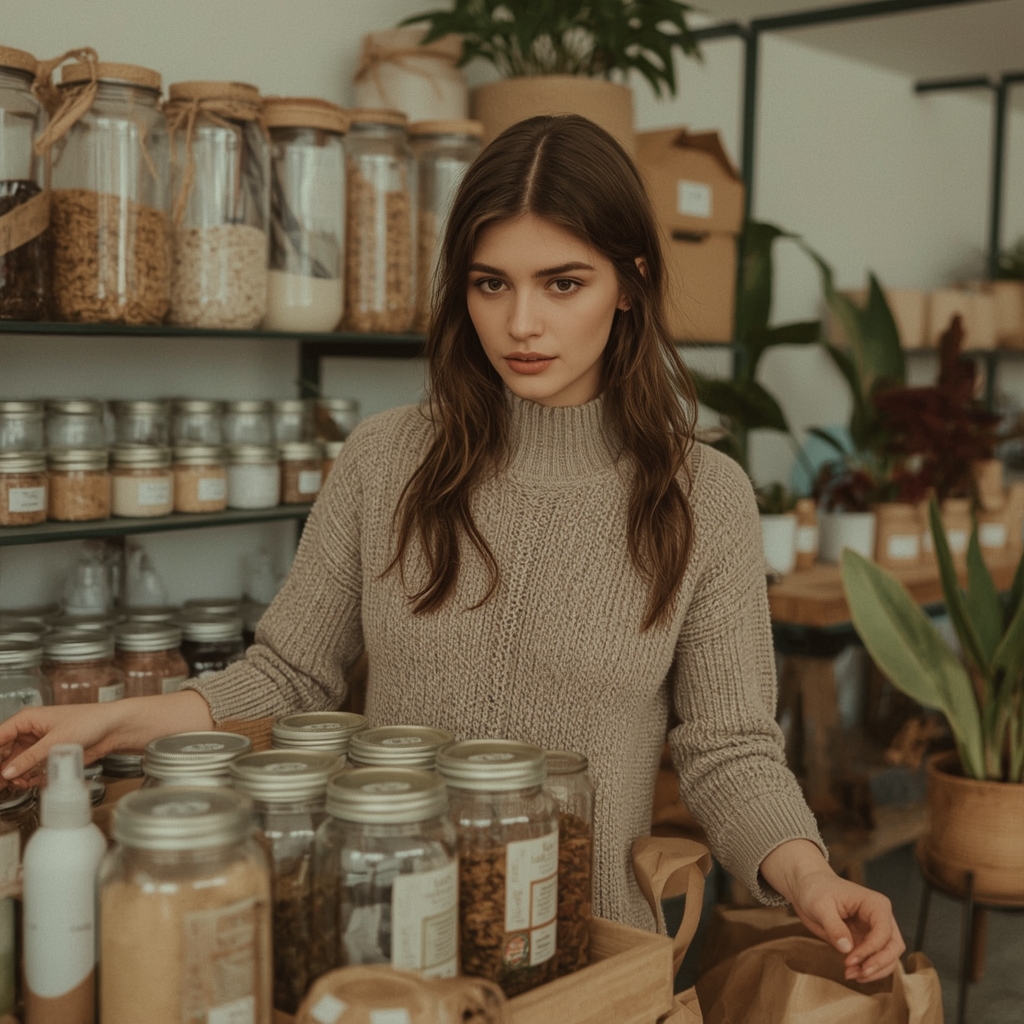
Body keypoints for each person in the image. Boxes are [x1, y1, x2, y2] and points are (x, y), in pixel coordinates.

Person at [0, 115, 903, 982]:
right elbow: (287, 676)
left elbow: (730, 749)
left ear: (628, 283)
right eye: (490, 283)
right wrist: (104, 721)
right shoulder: (385, 458)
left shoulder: (704, 498)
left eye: (562, 283)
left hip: (582, 951)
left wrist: (810, 875)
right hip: (381, 939)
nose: (520, 325)